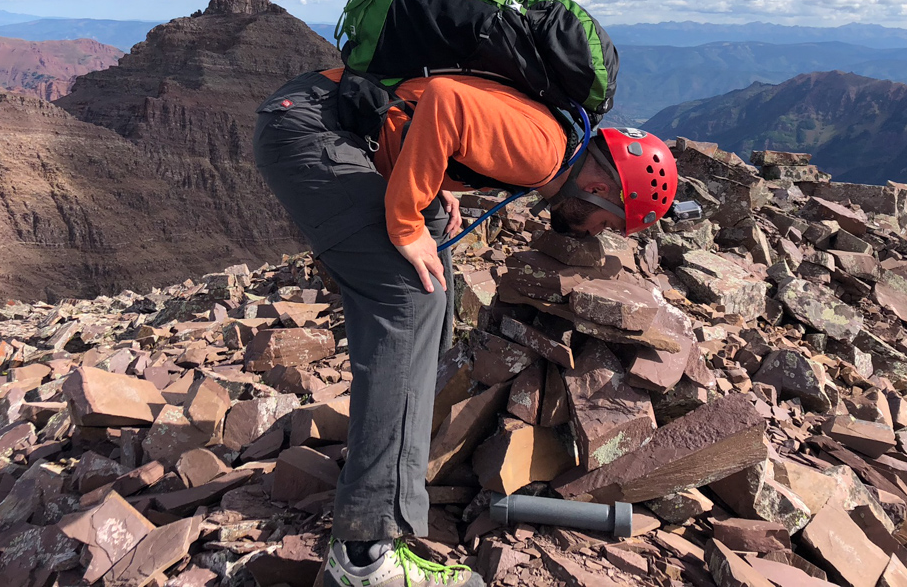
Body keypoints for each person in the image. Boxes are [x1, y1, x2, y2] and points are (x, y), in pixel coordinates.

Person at [254, 38, 675, 587]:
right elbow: (448, 101)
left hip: (330, 119)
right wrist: (405, 219)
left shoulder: (553, 144)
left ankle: (396, 456)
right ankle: (365, 556)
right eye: (611, 222)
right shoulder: (545, 150)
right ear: (598, 188)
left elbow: (440, 113)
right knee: (409, 296)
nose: (602, 234)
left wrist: (435, 181)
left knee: (436, 276)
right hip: (311, 131)